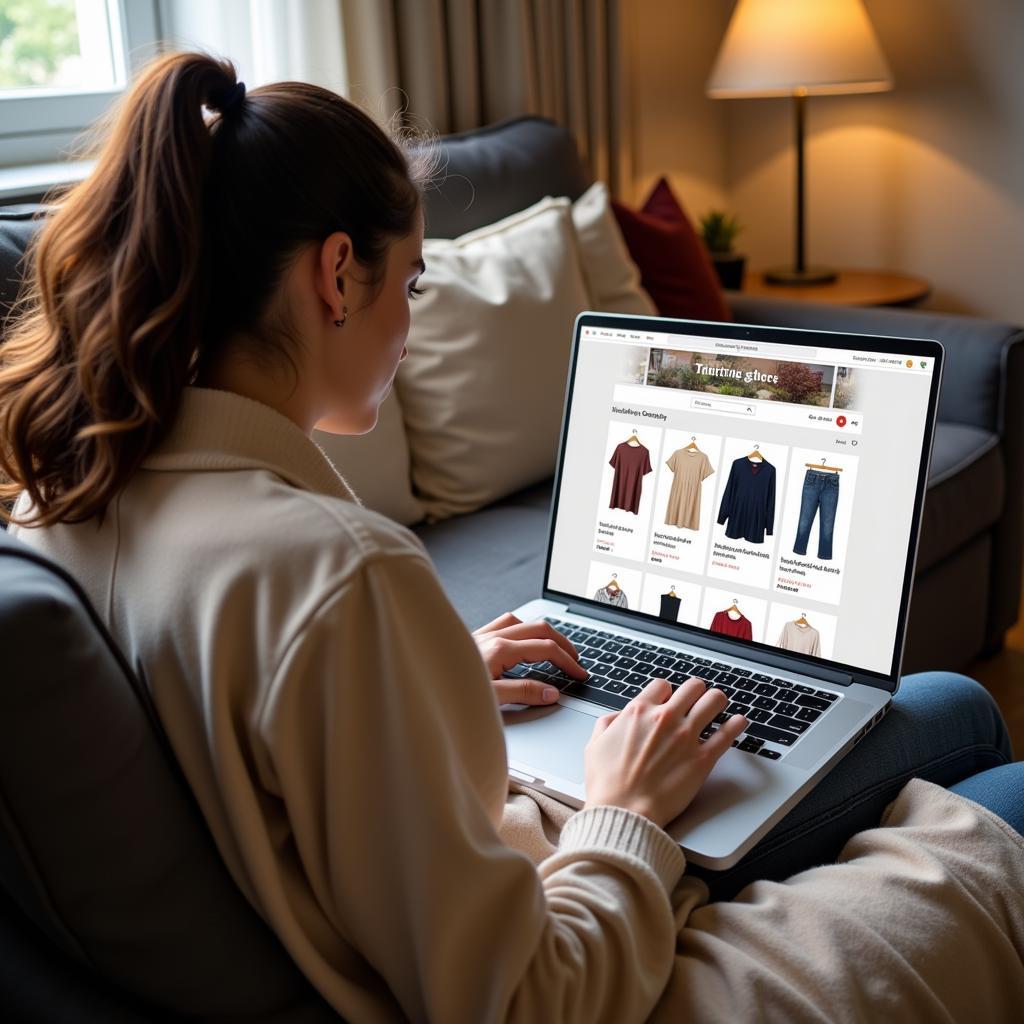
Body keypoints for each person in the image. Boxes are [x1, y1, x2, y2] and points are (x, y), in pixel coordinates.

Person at [1, 51, 1022, 1023]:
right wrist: (626, 806)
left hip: (462, 869)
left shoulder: (69, 497)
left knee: (939, 714)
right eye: (411, 285)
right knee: (968, 724)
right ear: (337, 275)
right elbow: (530, 1000)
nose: (408, 322)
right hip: (574, 925)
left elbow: (285, 741)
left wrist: (431, 676)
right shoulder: (336, 574)